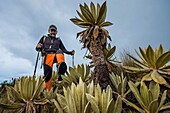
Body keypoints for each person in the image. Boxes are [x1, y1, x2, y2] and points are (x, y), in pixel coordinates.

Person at [36, 24, 75, 92]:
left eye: (54, 31)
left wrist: (70, 52)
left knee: (60, 51)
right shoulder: (44, 38)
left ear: (56, 32)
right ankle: (47, 92)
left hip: (56, 56)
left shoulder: (58, 40)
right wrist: (38, 47)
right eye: (52, 30)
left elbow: (64, 49)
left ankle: (60, 70)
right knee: (47, 76)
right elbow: (37, 48)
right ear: (49, 31)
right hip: (47, 56)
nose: (53, 32)